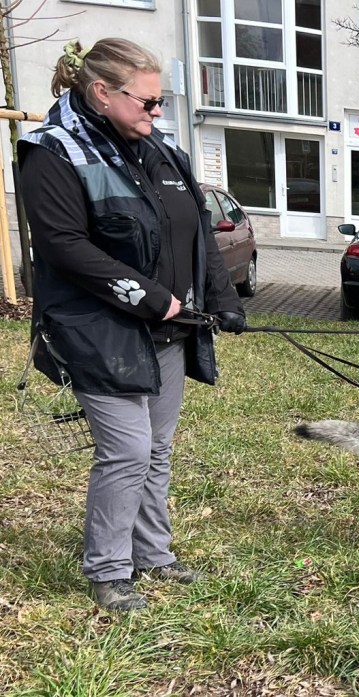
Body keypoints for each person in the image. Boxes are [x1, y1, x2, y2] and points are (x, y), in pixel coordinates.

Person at [18, 38, 247, 612]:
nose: (156, 112)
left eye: (160, 101)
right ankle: (109, 570)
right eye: (146, 102)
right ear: (102, 92)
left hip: (169, 331)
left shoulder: (165, 151)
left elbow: (199, 234)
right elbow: (62, 245)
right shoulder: (53, 151)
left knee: (158, 448)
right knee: (127, 451)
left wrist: (223, 302)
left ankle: (153, 555)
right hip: (99, 327)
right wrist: (150, 298)